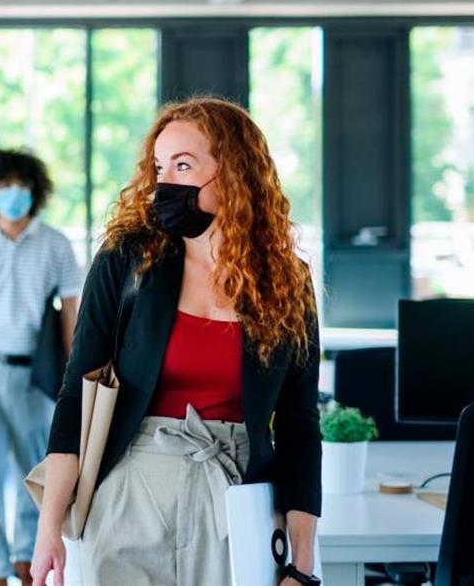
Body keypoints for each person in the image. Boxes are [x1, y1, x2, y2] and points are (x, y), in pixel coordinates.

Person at [31, 97, 322, 586]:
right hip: (130, 493)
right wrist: (48, 530)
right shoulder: (126, 261)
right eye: (159, 167)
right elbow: (75, 399)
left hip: (236, 501)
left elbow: (299, 425)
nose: (165, 182)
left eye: (183, 166)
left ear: (232, 174)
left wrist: (302, 567)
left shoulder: (286, 283)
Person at [0, 148, 83, 586]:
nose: (13, 194)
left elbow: (70, 312)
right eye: (4, 186)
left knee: (35, 472)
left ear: (34, 191)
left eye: (20, 186)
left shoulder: (56, 245)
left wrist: (73, 379)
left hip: (35, 376)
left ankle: (26, 557)